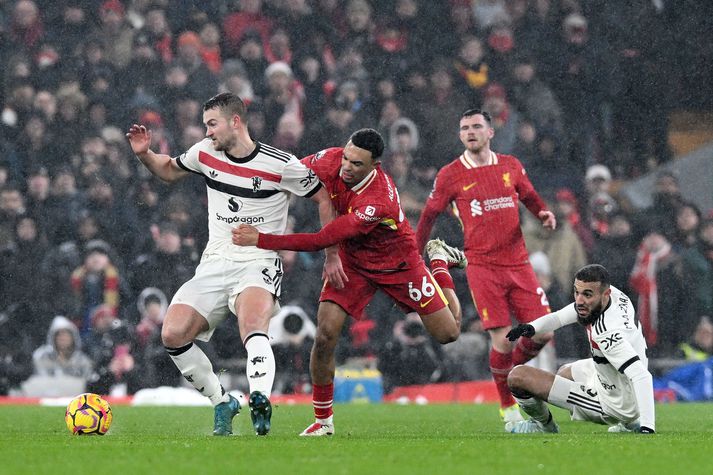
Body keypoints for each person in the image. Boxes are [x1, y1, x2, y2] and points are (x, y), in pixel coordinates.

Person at [126, 92, 337, 436]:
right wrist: (145, 155)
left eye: (212, 124)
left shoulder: (280, 164)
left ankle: (260, 399)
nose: (207, 132)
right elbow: (167, 169)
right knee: (173, 334)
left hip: (258, 261)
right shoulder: (205, 153)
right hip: (214, 261)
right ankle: (222, 401)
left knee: (253, 327)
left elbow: (323, 196)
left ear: (235, 122)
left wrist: (332, 253)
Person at [232, 128, 465, 436]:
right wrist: (245, 182)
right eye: (346, 157)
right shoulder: (331, 159)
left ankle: (438, 260)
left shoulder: (376, 200)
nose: (346, 167)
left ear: (375, 166)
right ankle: (323, 422)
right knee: (325, 335)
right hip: (353, 262)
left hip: (399, 263)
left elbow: (319, 240)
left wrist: (261, 239)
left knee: (449, 332)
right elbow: (286, 172)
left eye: (356, 164)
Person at [415, 109, 557, 424]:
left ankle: (515, 377)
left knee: (543, 333)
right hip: (482, 265)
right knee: (503, 338)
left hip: (518, 263)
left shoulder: (511, 165)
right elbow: (428, 216)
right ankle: (508, 407)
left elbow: (530, 197)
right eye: (464, 128)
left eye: (477, 126)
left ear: (490, 132)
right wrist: (414, 252)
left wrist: (543, 213)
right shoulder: (451, 174)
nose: (470, 132)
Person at [504, 264, 656, 434]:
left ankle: (543, 426)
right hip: (617, 381)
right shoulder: (615, 296)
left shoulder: (607, 334)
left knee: (517, 377)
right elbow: (561, 317)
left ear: (605, 294)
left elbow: (641, 375)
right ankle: (631, 422)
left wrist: (648, 427)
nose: (579, 300)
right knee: (564, 372)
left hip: (615, 403)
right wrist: (532, 327)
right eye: (577, 292)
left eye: (587, 295)